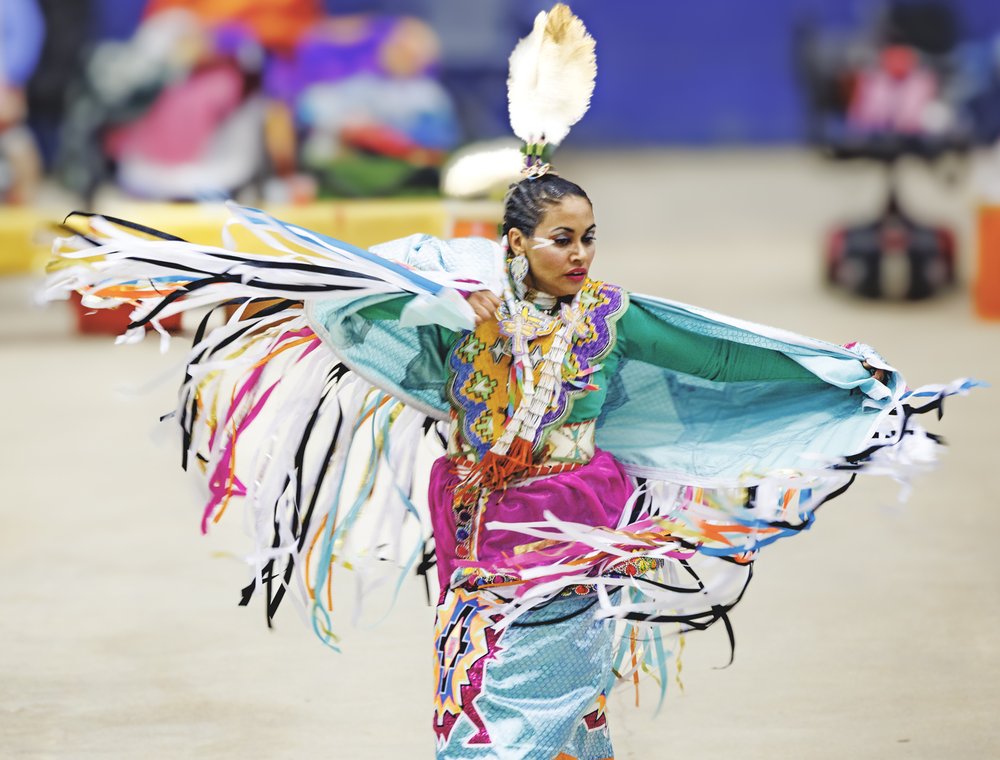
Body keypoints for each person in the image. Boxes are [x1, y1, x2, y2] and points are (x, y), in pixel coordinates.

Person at [43, 5, 974, 758]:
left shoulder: (612, 316)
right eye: (561, 239)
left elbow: (722, 357)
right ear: (516, 243)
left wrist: (825, 369)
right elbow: (350, 312)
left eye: (589, 237)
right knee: (483, 691)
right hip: (476, 525)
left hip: (571, 522)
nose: (580, 254)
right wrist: (427, 290)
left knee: (529, 703)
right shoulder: (459, 312)